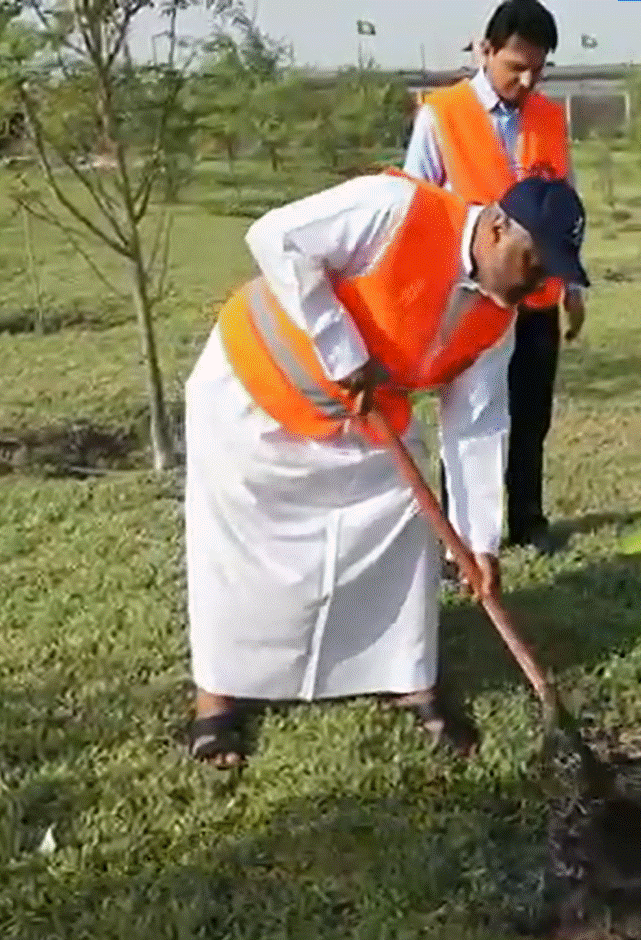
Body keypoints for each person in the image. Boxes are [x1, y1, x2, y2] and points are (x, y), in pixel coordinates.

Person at [182, 169, 590, 768]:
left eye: (550, 272)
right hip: (256, 389)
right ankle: (216, 701)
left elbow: (476, 424)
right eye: (534, 263)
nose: (538, 283)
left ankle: (410, 681)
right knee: (239, 553)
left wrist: (477, 545)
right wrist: (341, 349)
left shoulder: (499, 317)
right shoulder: (394, 207)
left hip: (363, 416)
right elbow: (275, 237)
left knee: (402, 524)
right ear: (498, 227)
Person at [403, 0, 585, 564]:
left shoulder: (550, 118)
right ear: (485, 51)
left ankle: (527, 519)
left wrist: (573, 288)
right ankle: (459, 537)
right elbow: (415, 204)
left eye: (538, 69)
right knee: (470, 420)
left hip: (536, 297)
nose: (527, 80)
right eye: (515, 67)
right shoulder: (442, 115)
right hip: (473, 297)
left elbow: (565, 204)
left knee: (531, 415)